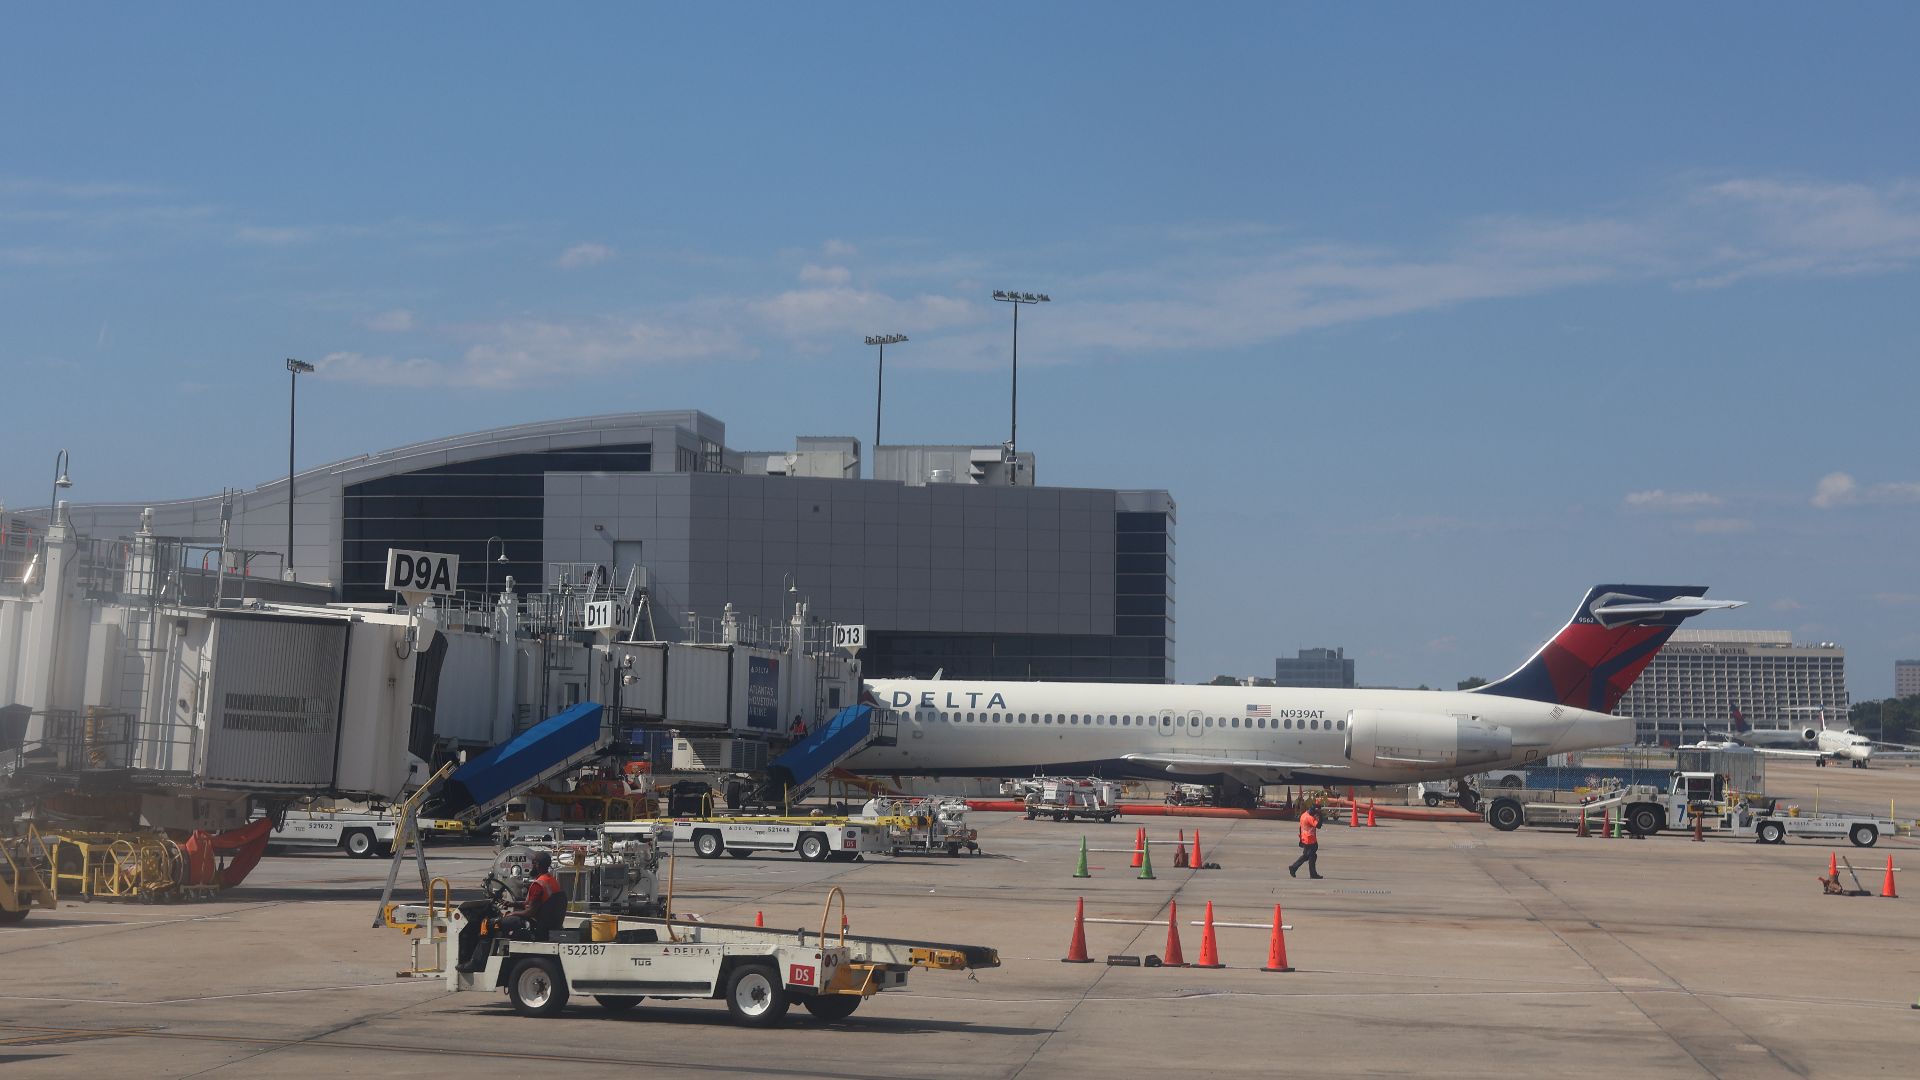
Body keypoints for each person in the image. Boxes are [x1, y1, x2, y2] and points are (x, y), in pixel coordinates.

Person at [457, 850, 564, 972]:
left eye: (533, 863)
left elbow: (530, 912)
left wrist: (513, 913)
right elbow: (535, 904)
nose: (531, 866)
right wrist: (512, 904)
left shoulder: (538, 885)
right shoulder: (551, 881)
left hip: (534, 925)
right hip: (547, 924)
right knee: (504, 921)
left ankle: (477, 963)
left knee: (487, 924)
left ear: (537, 865)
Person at [1288, 803, 1324, 879]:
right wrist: (1320, 816)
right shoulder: (1310, 818)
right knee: (1309, 856)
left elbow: (1300, 827)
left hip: (1305, 838)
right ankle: (1294, 867)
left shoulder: (1303, 815)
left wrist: (1301, 839)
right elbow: (1319, 826)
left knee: (1311, 856)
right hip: (1310, 840)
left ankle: (1311, 873)